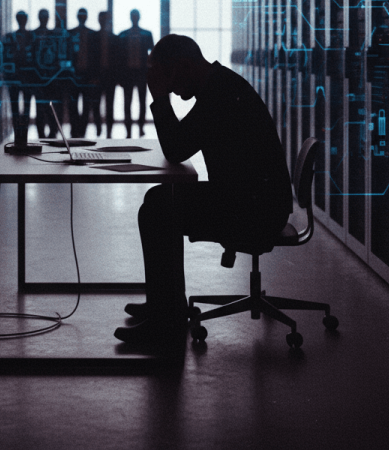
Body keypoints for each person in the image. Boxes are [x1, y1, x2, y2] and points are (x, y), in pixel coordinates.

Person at [113, 34, 293, 352]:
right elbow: (181, 142)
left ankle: (165, 319)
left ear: (184, 65)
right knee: (159, 200)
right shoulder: (219, 85)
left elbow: (175, 148)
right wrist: (163, 95)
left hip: (256, 210)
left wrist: (159, 98)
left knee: (158, 209)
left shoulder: (219, 93)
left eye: (168, 78)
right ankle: (165, 306)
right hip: (254, 199)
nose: (170, 88)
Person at [118, 9, 154, 137]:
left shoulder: (146, 34)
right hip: (128, 73)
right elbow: (119, 58)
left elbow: (152, 55)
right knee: (128, 102)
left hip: (141, 73)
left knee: (141, 101)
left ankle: (140, 126)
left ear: (138, 17)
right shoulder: (123, 35)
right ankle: (128, 128)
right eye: (133, 16)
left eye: (135, 16)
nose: (134, 18)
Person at [3, 10, 33, 142]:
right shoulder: (10, 37)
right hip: (15, 78)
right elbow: (5, 57)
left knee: (25, 108)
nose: (22, 21)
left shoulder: (31, 36)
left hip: (27, 78)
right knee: (16, 108)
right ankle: (18, 135)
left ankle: (23, 135)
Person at [67, 7, 98, 137]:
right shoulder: (70, 33)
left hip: (87, 74)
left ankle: (82, 130)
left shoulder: (93, 34)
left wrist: (94, 75)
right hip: (73, 74)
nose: (82, 17)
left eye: (83, 15)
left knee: (86, 104)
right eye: (80, 15)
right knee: (73, 103)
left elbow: (96, 57)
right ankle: (74, 129)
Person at [31, 8, 60, 139]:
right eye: (42, 17)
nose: (44, 19)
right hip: (38, 76)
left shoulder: (53, 35)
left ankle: (53, 131)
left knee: (50, 106)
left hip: (51, 76)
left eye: (45, 17)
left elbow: (57, 54)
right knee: (40, 106)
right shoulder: (33, 35)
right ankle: (41, 134)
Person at [93, 10, 119, 138]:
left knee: (109, 104)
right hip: (98, 75)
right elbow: (90, 58)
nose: (103, 21)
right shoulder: (94, 37)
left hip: (110, 76)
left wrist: (117, 77)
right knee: (96, 104)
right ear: (99, 20)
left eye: (105, 19)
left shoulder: (114, 38)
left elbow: (118, 60)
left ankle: (108, 129)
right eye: (102, 19)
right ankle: (98, 128)